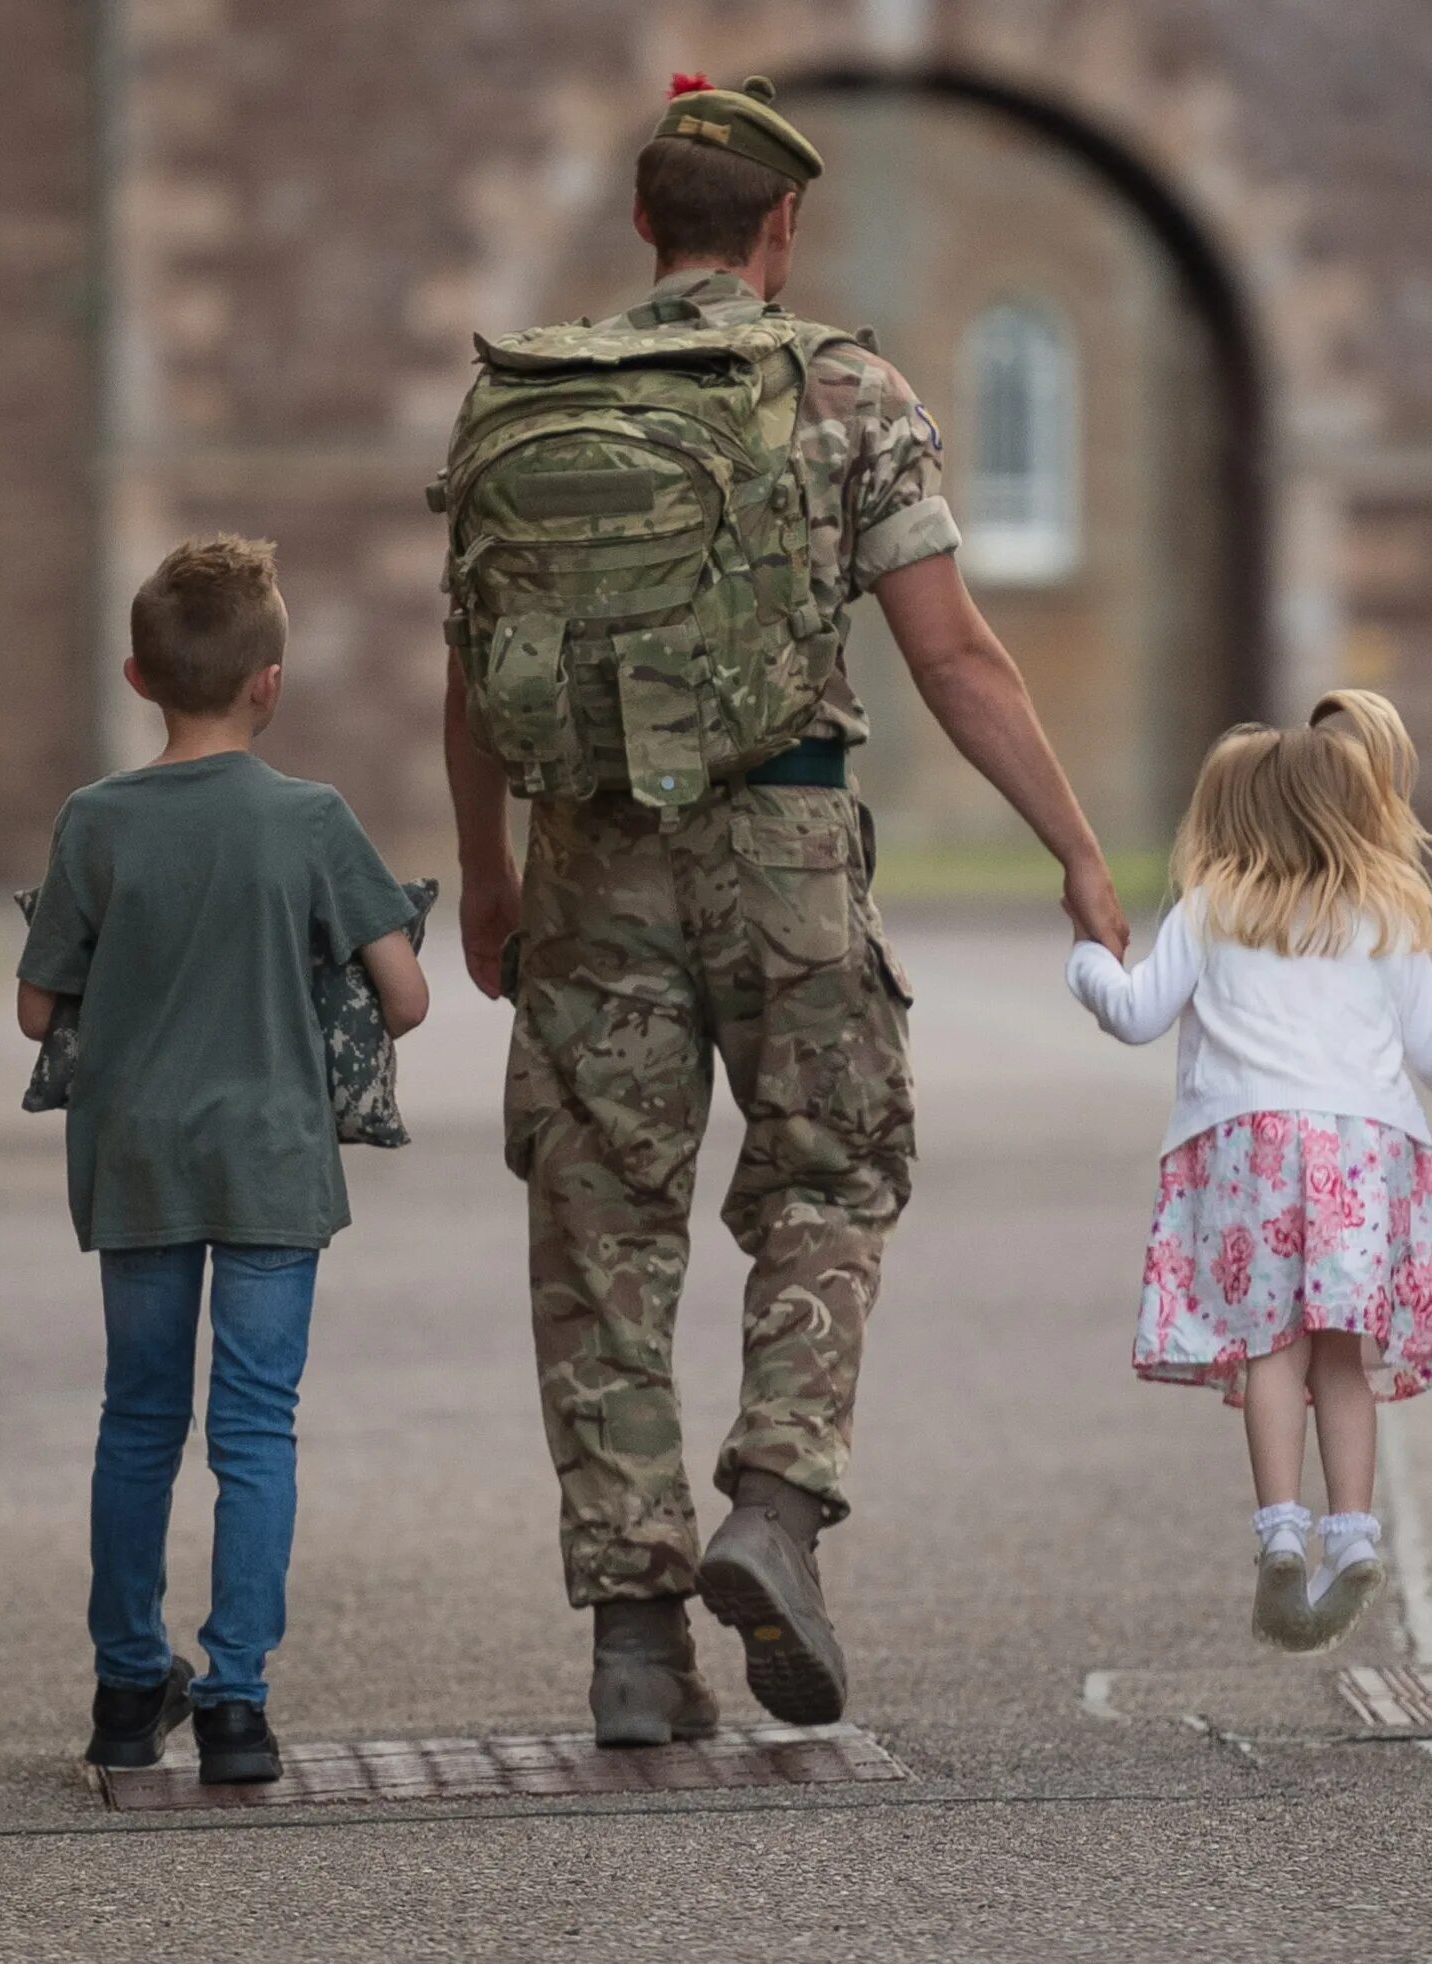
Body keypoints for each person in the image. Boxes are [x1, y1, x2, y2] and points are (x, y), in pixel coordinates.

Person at [441, 73, 1128, 1746]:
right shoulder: (845, 391)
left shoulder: (519, 401)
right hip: (787, 844)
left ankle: (631, 1632)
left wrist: (490, 868)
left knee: (600, 1227)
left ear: (638, 225)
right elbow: (953, 649)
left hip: (590, 855)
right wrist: (1080, 848)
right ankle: (777, 1501)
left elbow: (468, 676)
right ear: (780, 228)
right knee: (830, 1171)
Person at [18, 536, 428, 1783]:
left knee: (138, 1418)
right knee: (256, 1426)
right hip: (270, 1160)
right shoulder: (311, 820)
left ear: (140, 675)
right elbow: (403, 999)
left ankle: (126, 1687)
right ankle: (238, 1701)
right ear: (272, 681)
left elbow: (41, 1012)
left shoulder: (94, 821)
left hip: (137, 1161)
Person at [1069, 695, 1432, 1651]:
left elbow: (1136, 1013)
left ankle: (1282, 1529)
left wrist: (1086, 960)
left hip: (1247, 1155)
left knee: (1269, 1348)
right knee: (1341, 1354)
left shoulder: (1210, 910)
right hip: (1362, 1155)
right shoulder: (1383, 916)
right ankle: (1353, 1534)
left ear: (1231, 815)